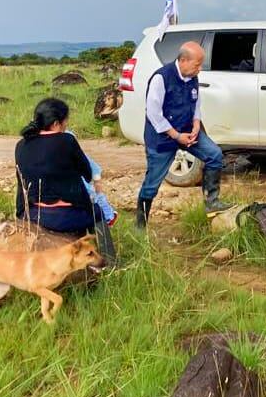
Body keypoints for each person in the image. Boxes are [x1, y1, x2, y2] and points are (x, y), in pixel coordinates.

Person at [136, 41, 231, 228]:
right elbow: (154, 114)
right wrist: (176, 135)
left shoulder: (192, 76)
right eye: (197, 64)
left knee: (214, 155)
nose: (200, 69)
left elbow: (196, 104)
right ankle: (140, 225)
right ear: (183, 60)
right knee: (152, 184)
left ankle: (211, 202)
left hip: (188, 131)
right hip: (162, 137)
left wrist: (196, 124)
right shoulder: (161, 78)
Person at [15, 98, 117, 266]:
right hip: (64, 216)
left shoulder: (21, 145)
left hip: (32, 214)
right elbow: (87, 172)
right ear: (56, 124)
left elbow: (21, 181)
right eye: (65, 121)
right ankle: (111, 263)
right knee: (98, 212)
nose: (66, 125)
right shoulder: (66, 141)